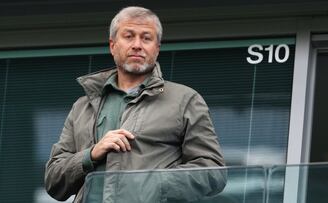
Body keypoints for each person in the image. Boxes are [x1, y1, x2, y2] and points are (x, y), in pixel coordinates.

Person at [45, 6, 225, 203]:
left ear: (157, 48)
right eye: (129, 36)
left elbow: (213, 173)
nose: (137, 45)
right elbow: (53, 181)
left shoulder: (185, 99)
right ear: (113, 45)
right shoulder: (82, 106)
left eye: (146, 38)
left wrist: (153, 182)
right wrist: (91, 154)